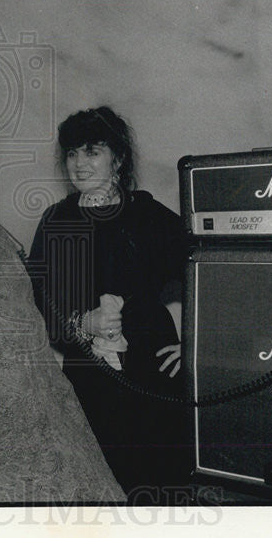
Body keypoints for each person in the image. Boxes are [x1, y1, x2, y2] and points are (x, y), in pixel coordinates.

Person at [28, 107, 191, 498]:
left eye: (92, 151)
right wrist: (85, 324)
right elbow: (34, 305)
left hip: (154, 370)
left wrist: (198, 344)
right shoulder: (56, 221)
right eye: (72, 153)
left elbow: (210, 271)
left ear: (117, 158)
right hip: (90, 378)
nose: (80, 164)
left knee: (161, 484)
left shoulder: (149, 214)